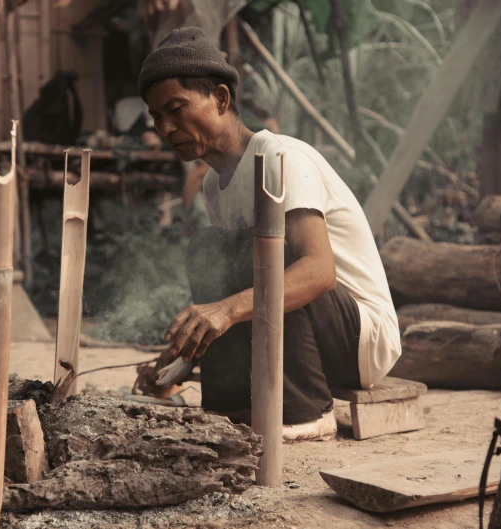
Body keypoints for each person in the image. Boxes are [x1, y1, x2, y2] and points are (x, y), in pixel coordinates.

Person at [138, 27, 401, 440]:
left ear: (221, 99)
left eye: (176, 109)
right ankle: (232, 406)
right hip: (309, 339)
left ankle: (307, 414)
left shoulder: (279, 157)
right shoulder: (213, 182)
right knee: (210, 249)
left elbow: (319, 271)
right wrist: (178, 362)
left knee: (261, 254)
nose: (167, 128)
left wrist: (224, 309)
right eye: (157, 118)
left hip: (358, 339)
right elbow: (224, 281)